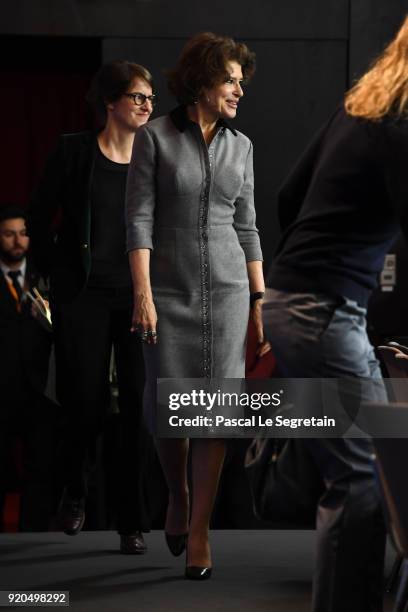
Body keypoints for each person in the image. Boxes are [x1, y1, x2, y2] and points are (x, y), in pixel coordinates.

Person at [263, 15, 408, 612]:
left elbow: (287, 197)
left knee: (376, 475)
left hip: (299, 302)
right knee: (362, 483)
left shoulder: (361, 110)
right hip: (323, 313)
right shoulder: (401, 125)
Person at [126, 32, 267, 579]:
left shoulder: (243, 146)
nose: (239, 90)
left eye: (241, 82)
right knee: (169, 410)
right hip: (166, 291)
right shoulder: (155, 138)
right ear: (202, 81)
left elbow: (249, 227)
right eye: (231, 79)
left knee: (217, 416)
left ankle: (201, 525)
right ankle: (178, 495)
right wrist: (142, 293)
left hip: (230, 294)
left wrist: (259, 299)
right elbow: (137, 218)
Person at [28, 61, 155, 553]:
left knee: (137, 409)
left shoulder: (155, 156)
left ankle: (131, 521)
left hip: (137, 295)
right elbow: (39, 216)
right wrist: (55, 275)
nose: (146, 105)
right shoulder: (74, 151)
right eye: (137, 97)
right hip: (82, 295)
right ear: (110, 102)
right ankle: (75, 490)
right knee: (84, 403)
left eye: (150, 98)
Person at [0, 205, 56, 531]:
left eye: (23, 233)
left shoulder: (45, 277)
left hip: (39, 392)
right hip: (2, 393)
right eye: (9, 234)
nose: (17, 241)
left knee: (41, 471)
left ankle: (32, 537)